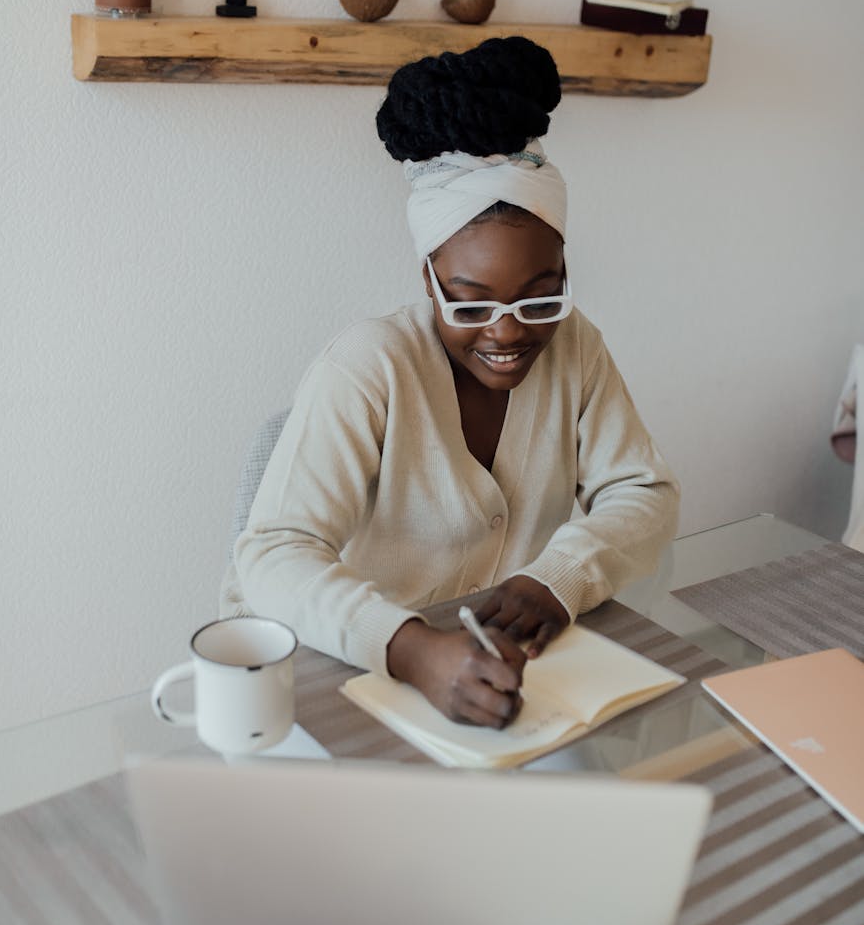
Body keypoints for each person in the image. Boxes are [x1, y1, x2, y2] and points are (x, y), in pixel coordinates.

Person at [221, 36, 679, 728]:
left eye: (541, 298)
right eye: (470, 304)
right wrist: (412, 651)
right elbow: (273, 555)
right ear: (429, 282)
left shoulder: (576, 347)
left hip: (506, 678)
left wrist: (557, 578)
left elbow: (645, 492)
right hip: (347, 680)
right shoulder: (368, 368)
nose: (508, 332)